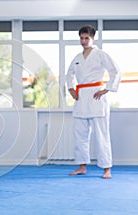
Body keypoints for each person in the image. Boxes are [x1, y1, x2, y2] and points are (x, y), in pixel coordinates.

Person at [66, 25, 121, 179]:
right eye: (81, 38)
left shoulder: (100, 54)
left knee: (101, 135)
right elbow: (68, 75)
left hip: (96, 96)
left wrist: (107, 89)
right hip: (81, 97)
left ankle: (106, 168)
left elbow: (115, 71)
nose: (83, 41)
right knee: (80, 135)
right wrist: (71, 90)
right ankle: (82, 166)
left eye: (86, 38)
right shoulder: (77, 58)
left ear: (93, 38)